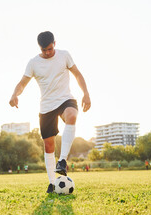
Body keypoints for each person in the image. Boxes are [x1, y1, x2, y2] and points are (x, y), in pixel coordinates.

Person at [9, 31, 91, 193]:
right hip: (46, 106)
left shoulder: (64, 55)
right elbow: (22, 83)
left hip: (65, 99)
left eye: (50, 49)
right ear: (39, 48)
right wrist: (15, 94)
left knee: (72, 115)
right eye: (44, 50)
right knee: (48, 145)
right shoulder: (33, 63)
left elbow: (78, 74)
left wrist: (86, 93)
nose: (47, 53)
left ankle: (62, 161)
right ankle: (52, 183)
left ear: (55, 43)